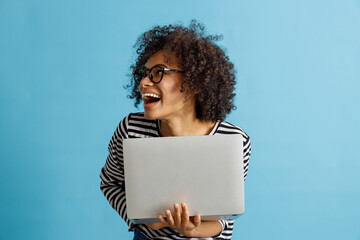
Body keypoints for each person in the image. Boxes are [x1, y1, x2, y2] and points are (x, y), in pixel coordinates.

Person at [100, 20, 251, 240]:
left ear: (193, 82)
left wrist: (192, 230)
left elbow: (225, 217)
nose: (143, 82)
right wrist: (142, 219)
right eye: (145, 73)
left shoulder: (234, 140)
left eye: (158, 72)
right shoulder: (131, 130)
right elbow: (110, 183)